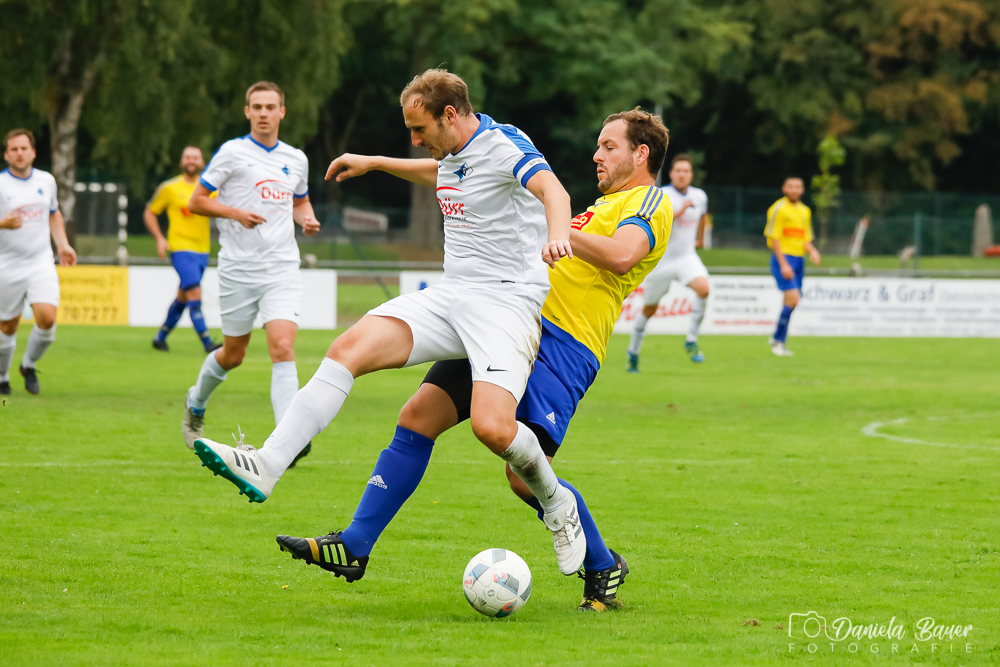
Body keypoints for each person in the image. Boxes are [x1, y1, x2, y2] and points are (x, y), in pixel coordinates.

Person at [274, 108, 672, 612]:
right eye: (598, 145)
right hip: (504, 322)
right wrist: (378, 162)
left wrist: (551, 227)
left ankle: (601, 563)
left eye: (609, 146)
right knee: (417, 417)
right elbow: (457, 171)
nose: (597, 154)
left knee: (520, 475)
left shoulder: (650, 202)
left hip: (564, 344)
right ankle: (354, 544)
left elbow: (621, 255)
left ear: (641, 154)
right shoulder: (597, 206)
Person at [192, 69, 588, 575]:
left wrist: (557, 235)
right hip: (452, 296)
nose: (416, 140)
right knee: (348, 349)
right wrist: (376, 162)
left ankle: (556, 503)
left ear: (450, 114)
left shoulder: (504, 144)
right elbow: (438, 173)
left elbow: (554, 191)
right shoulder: (451, 153)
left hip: (506, 305)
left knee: (492, 429)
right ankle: (268, 463)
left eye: (419, 129)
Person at [180, 81, 320, 463]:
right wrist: (235, 213)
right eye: (256, 107)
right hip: (238, 269)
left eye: (270, 107)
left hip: (282, 267)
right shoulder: (232, 153)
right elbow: (197, 202)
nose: (263, 113)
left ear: (282, 112)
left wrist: (307, 220)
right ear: (247, 112)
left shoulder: (296, 158)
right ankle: (196, 401)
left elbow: (300, 202)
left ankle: (287, 440)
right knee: (233, 354)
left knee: (282, 346)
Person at [0, 129, 77, 396]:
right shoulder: (1, 184)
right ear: (6, 155)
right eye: (14, 149)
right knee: (7, 326)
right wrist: (3, 223)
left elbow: (53, 214)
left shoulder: (47, 180)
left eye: (24, 148)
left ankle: (28, 365)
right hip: (7, 264)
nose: (19, 153)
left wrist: (63, 245)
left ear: (33, 152)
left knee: (47, 318)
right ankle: (2, 378)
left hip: (40, 261)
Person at [627, 153, 709, 371]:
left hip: (686, 257)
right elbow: (655, 221)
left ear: (691, 174)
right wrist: (679, 211)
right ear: (671, 173)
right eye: (678, 171)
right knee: (649, 309)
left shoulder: (699, 196)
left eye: (686, 171)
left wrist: (700, 239)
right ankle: (633, 351)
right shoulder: (661, 195)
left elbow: (702, 216)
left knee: (704, 289)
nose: (682, 175)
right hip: (661, 261)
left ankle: (691, 340)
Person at [144, 146, 221, 353]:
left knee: (183, 296)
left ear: (202, 162)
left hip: (203, 250)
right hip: (180, 249)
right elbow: (150, 212)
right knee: (194, 291)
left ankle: (160, 338)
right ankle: (208, 343)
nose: (191, 161)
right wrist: (160, 238)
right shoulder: (169, 188)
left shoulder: (210, 189)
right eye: (187, 157)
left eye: (195, 157)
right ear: (181, 161)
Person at [765, 177, 820, 356]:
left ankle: (778, 339)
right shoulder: (778, 208)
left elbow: (805, 238)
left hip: (799, 259)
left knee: (791, 302)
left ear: (802, 190)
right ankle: (777, 341)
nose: (794, 190)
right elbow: (773, 238)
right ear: (784, 189)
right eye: (791, 187)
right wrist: (783, 264)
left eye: (798, 187)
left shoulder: (805, 211)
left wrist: (812, 251)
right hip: (783, 258)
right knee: (793, 299)